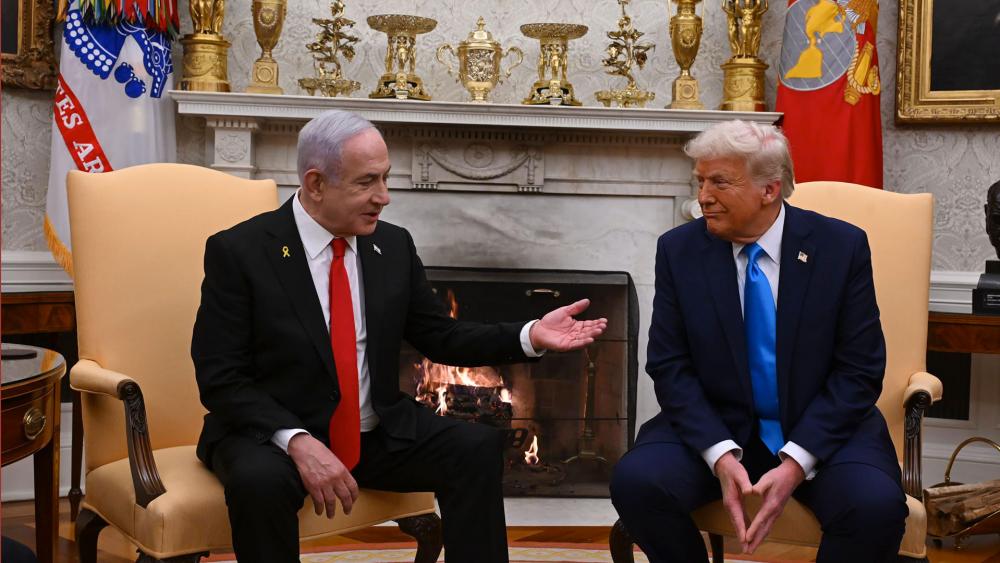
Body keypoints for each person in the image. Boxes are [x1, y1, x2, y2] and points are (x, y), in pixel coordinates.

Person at [192, 109, 607, 563]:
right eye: (367, 182)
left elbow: (440, 336)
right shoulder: (241, 251)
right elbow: (222, 377)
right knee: (259, 483)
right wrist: (296, 439)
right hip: (272, 437)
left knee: (475, 449)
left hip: (374, 432)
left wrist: (531, 335)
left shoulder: (391, 245)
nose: (384, 197)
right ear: (315, 184)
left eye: (386, 178)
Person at [610, 120, 907, 562]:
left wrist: (797, 461)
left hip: (822, 429)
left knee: (875, 505)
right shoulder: (679, 250)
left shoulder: (840, 247)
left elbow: (859, 370)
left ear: (770, 190)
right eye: (700, 181)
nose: (703, 197)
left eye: (719, 182)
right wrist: (720, 454)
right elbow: (670, 365)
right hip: (716, 424)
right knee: (636, 482)